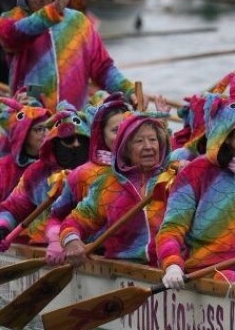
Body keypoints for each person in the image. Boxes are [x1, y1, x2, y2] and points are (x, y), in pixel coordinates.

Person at [156, 82, 235, 286]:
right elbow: (172, 228)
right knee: (230, 278)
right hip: (208, 272)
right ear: (227, 136)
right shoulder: (195, 173)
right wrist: (172, 264)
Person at [0, 0, 133, 109]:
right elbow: (13, 35)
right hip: (33, 118)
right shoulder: (10, 21)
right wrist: (51, 13)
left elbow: (103, 68)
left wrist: (128, 90)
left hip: (74, 117)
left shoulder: (77, 20)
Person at [60, 114, 176, 265]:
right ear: (125, 149)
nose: (148, 146)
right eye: (139, 141)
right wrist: (71, 241)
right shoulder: (107, 184)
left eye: (153, 140)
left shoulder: (174, 179)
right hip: (124, 267)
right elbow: (74, 222)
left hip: (172, 269)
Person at [46, 92, 130, 264]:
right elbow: (57, 217)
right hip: (98, 254)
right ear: (101, 135)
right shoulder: (81, 174)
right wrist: (59, 240)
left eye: (128, 128)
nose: (124, 135)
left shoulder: (152, 171)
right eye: (116, 130)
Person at [0, 108, 86, 248]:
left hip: (88, 247)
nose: (76, 145)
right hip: (43, 245)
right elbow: (12, 209)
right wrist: (2, 226)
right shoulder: (36, 173)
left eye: (81, 140)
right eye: (68, 140)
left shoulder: (98, 172)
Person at [0, 98, 53, 237]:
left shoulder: (60, 166)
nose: (46, 134)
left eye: (49, 128)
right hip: (10, 234)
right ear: (24, 135)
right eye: (39, 129)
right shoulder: (2, 168)